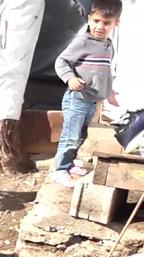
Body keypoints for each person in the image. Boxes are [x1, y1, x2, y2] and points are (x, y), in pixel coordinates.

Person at [53, 0, 121, 188]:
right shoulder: (82, 41)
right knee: (70, 136)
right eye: (97, 20)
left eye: (106, 23)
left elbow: (104, 72)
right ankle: (60, 170)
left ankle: (70, 163)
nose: (100, 26)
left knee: (81, 135)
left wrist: (109, 92)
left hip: (92, 102)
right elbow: (61, 62)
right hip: (77, 99)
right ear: (90, 18)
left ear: (116, 23)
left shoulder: (108, 44)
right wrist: (70, 79)